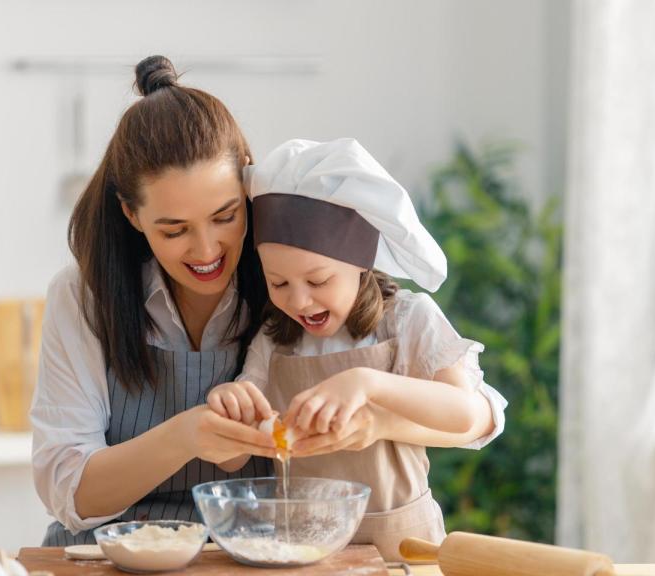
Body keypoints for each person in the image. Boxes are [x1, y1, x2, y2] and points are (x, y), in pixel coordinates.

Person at [206, 138, 508, 560]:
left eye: (318, 281)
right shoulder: (274, 339)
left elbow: (463, 413)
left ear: (362, 262)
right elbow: (234, 461)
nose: (299, 301)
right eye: (279, 283)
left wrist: (368, 384)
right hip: (305, 550)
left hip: (403, 546)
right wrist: (230, 409)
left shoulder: (407, 320)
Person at [31, 55, 278, 545]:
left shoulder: (289, 281)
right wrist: (188, 435)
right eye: (175, 229)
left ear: (247, 186)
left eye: (225, 216)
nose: (207, 250)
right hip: (104, 556)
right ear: (132, 214)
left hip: (250, 554)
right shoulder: (83, 297)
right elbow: (68, 492)